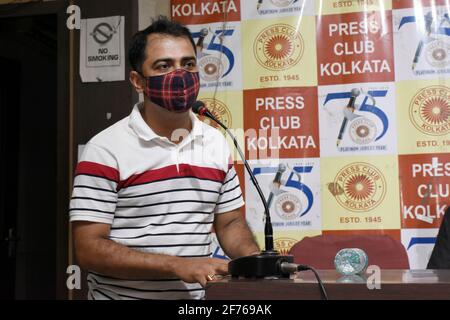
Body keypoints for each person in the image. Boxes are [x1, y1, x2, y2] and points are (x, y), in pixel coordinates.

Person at [70, 16, 260, 300]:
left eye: (188, 64)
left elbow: (230, 223)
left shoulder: (216, 142)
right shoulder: (105, 149)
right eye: (164, 66)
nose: (180, 74)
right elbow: (88, 249)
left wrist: (256, 262)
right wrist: (176, 265)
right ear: (138, 81)